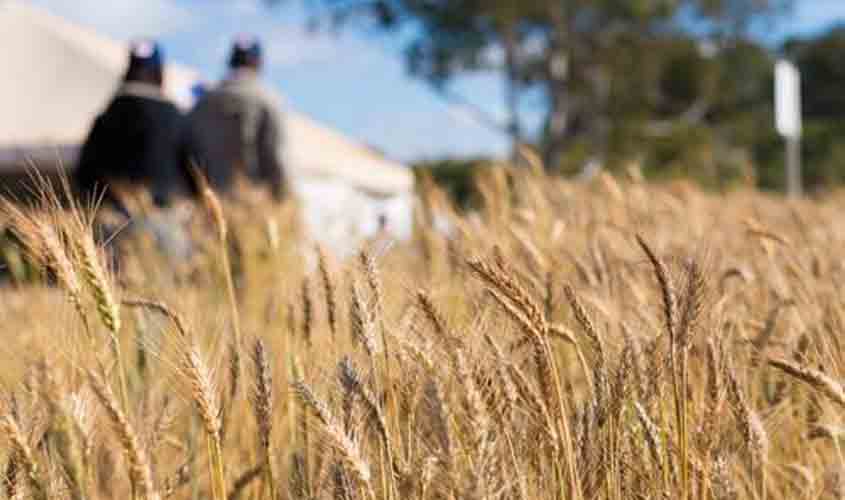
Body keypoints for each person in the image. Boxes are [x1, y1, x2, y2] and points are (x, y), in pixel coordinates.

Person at [75, 39, 198, 213]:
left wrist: (116, 203)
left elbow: (84, 175)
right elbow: (196, 173)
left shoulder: (106, 119)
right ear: (159, 74)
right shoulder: (176, 119)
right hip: (166, 223)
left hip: (114, 227)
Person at [187, 35, 288, 201]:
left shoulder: (203, 102)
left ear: (231, 61)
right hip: (252, 205)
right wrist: (282, 198)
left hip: (208, 204)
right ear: (259, 62)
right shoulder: (268, 100)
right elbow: (276, 156)